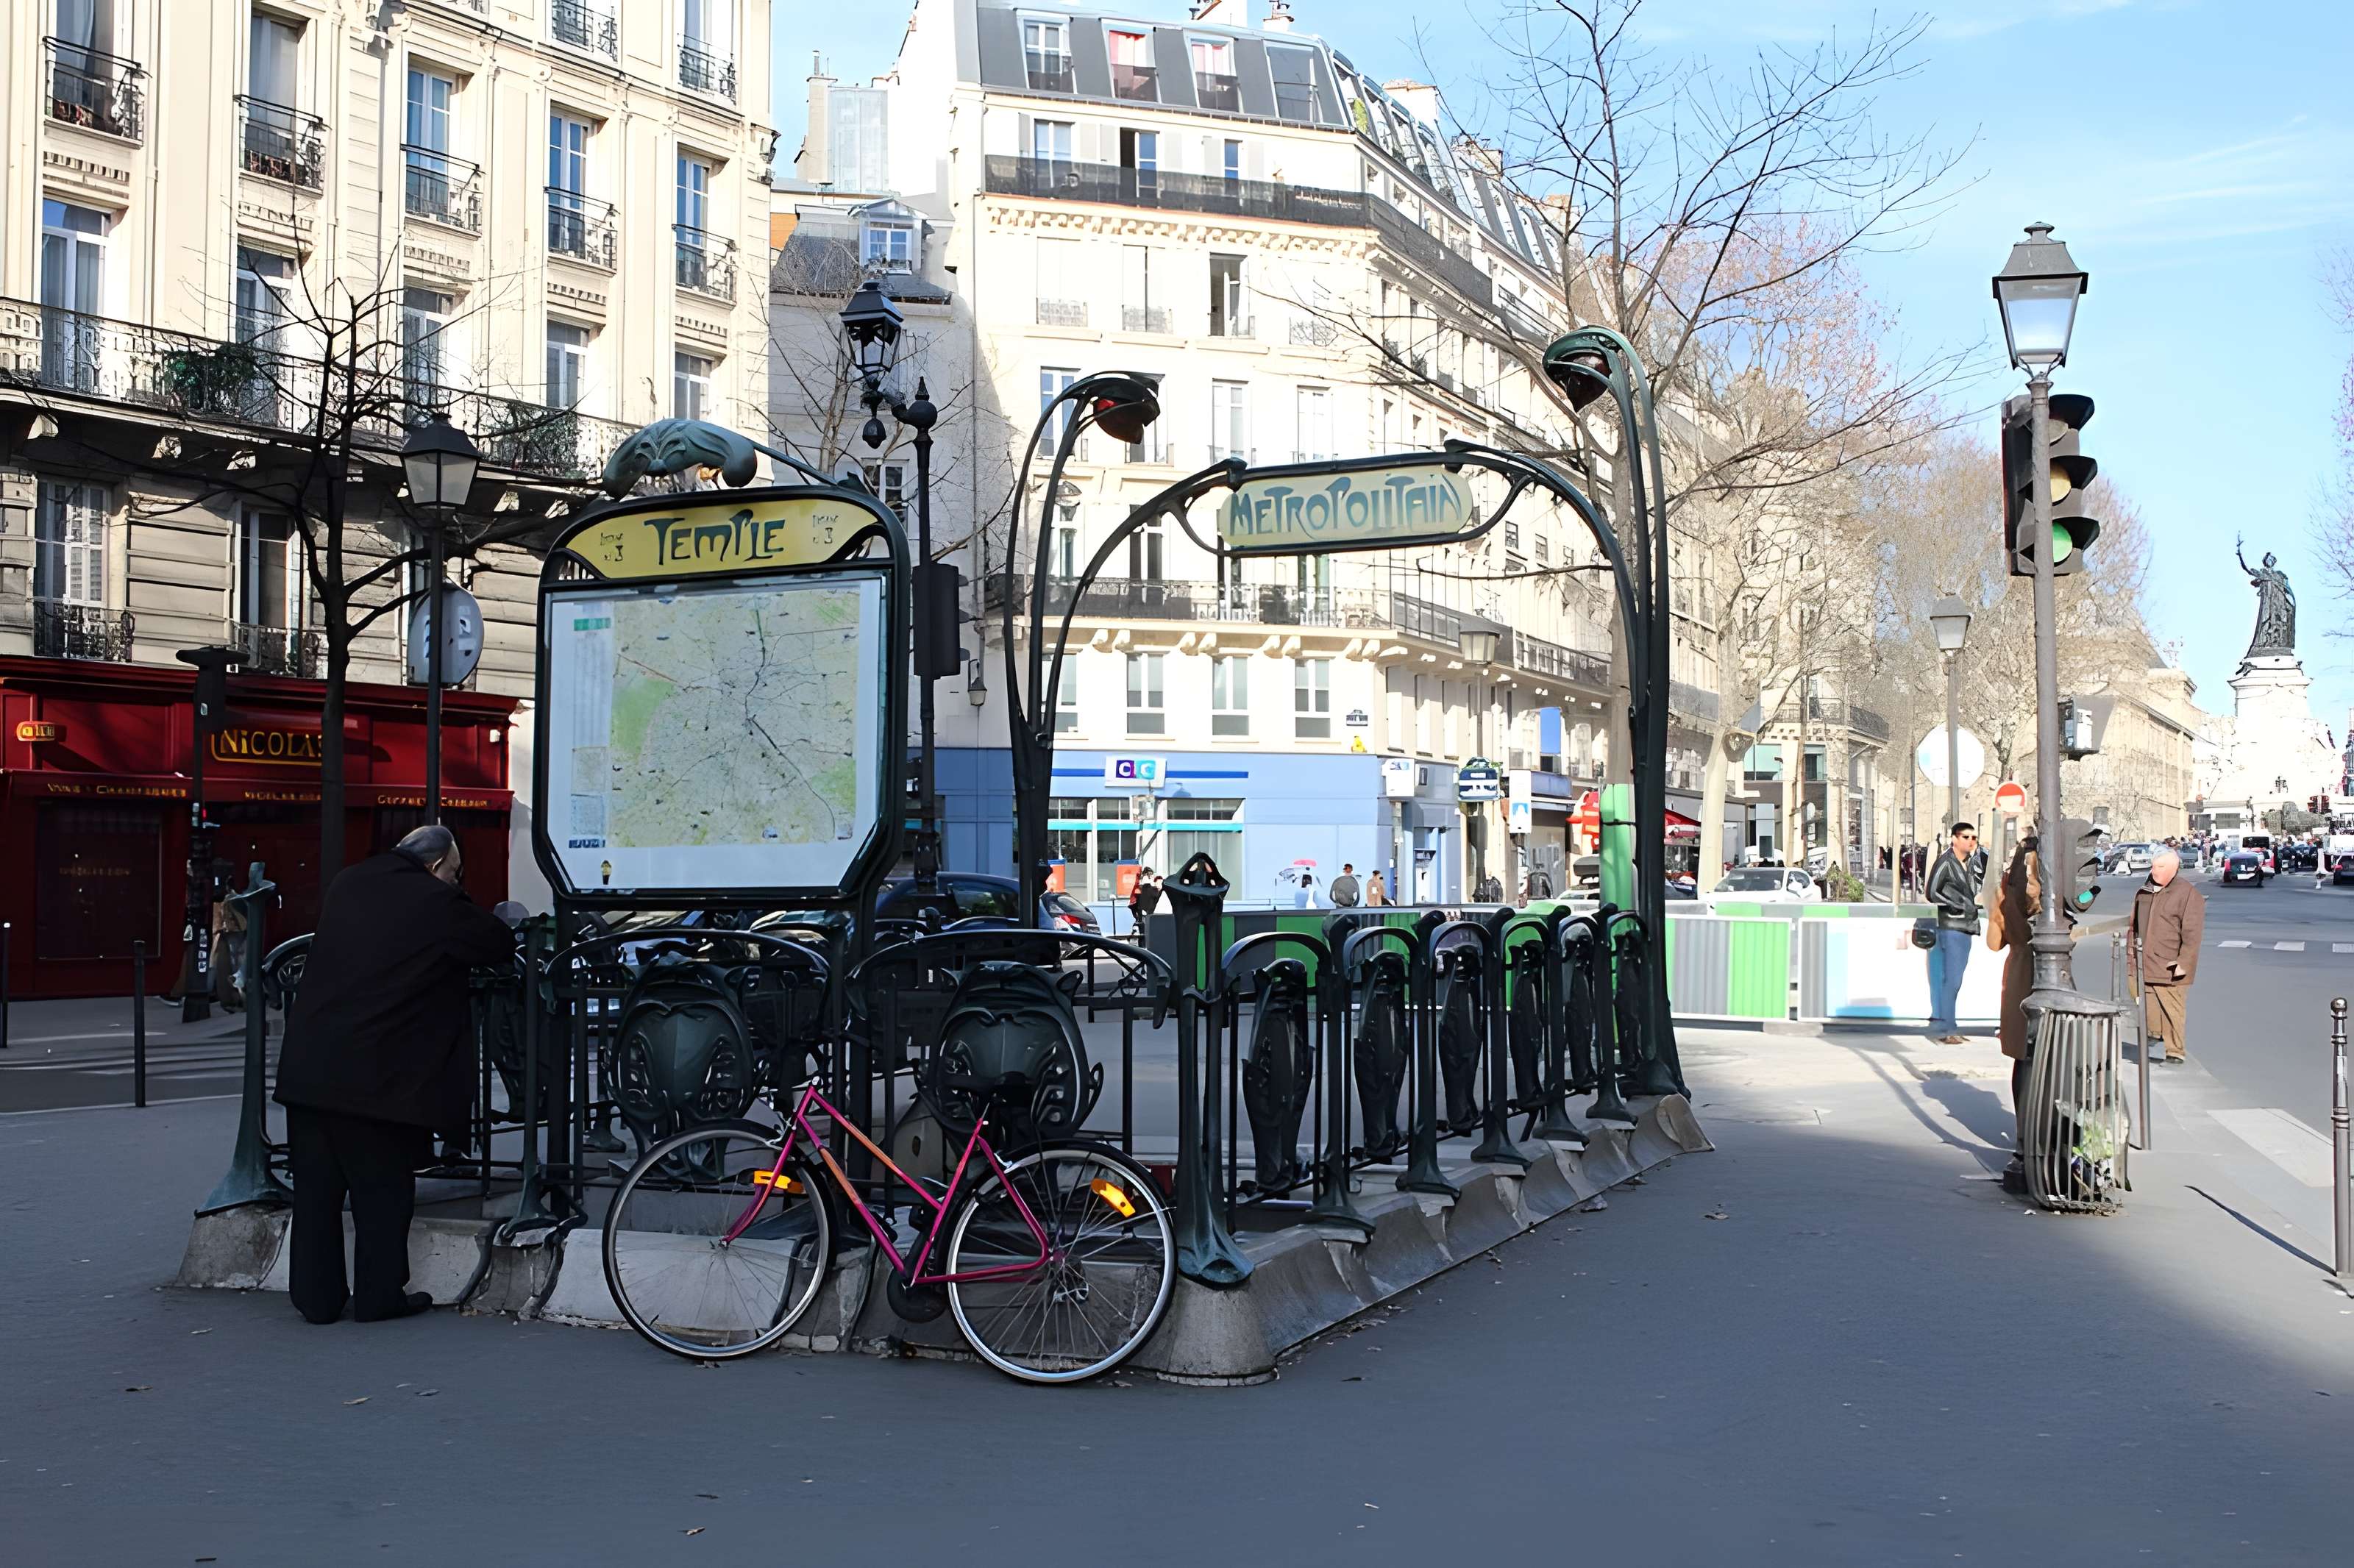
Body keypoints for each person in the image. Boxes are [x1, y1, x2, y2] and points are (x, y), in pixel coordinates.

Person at [274, 826, 520, 1325]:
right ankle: (378, 1296)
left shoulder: (349, 881)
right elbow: (493, 940)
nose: (455, 882)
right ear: (435, 869)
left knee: (317, 1193)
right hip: (374, 1078)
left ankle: (316, 1301)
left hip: (309, 1066)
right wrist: (460, 894)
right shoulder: (435, 901)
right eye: (455, 873)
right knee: (381, 1190)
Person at [2132, 847, 2205, 1065]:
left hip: (2171, 963)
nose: (2154, 871)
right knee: (2151, 1006)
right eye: (2153, 866)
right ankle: (2154, 1035)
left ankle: (2175, 1051)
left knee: (2173, 1009)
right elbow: (2134, 926)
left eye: (2160, 867)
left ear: (2174, 869)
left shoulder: (2187, 894)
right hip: (2147, 961)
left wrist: (2182, 963)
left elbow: (2192, 935)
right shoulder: (2145, 891)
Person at [1924, 822, 1983, 1047]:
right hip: (1952, 926)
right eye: (1966, 837)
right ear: (1954, 839)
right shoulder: (1946, 862)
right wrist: (1957, 905)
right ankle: (1947, 1028)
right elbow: (1931, 891)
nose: (1971, 841)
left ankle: (1949, 1026)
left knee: (1953, 981)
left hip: (1963, 926)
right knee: (1952, 981)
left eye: (1974, 838)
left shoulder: (1967, 864)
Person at [1127, 867, 1160, 933]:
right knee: (1140, 920)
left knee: (1141, 920)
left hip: (1139, 905)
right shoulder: (1142, 882)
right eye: (1149, 874)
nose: (1150, 876)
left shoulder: (1143, 883)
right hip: (1138, 903)